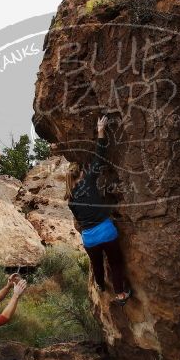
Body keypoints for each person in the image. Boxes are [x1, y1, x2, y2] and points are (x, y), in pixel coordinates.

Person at [67, 115, 132, 305]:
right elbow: (100, 156)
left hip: (89, 238)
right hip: (106, 231)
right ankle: (120, 294)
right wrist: (101, 130)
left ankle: (101, 285)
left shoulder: (70, 200)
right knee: (116, 263)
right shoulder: (88, 181)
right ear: (81, 173)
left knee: (97, 263)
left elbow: (80, 220)